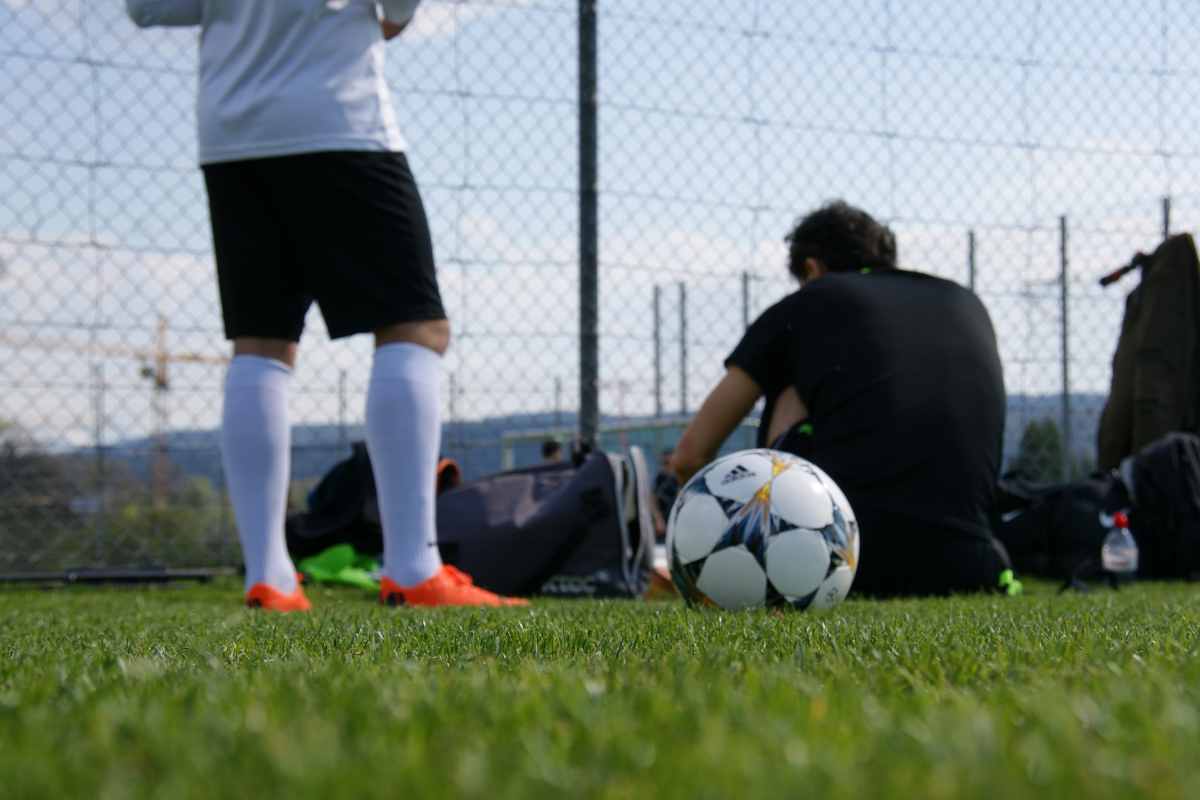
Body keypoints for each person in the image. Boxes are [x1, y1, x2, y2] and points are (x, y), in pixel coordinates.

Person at [126, 0, 525, 611]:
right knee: (415, 327)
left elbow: (147, 7)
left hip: (232, 130)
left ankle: (270, 576)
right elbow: (394, 13)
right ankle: (414, 568)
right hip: (338, 118)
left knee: (261, 342)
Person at [671, 201, 1014, 597]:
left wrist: (699, 540)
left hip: (844, 565)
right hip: (972, 564)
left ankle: (782, 543)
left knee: (793, 382)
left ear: (812, 269)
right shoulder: (965, 302)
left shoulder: (810, 302)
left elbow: (690, 456)